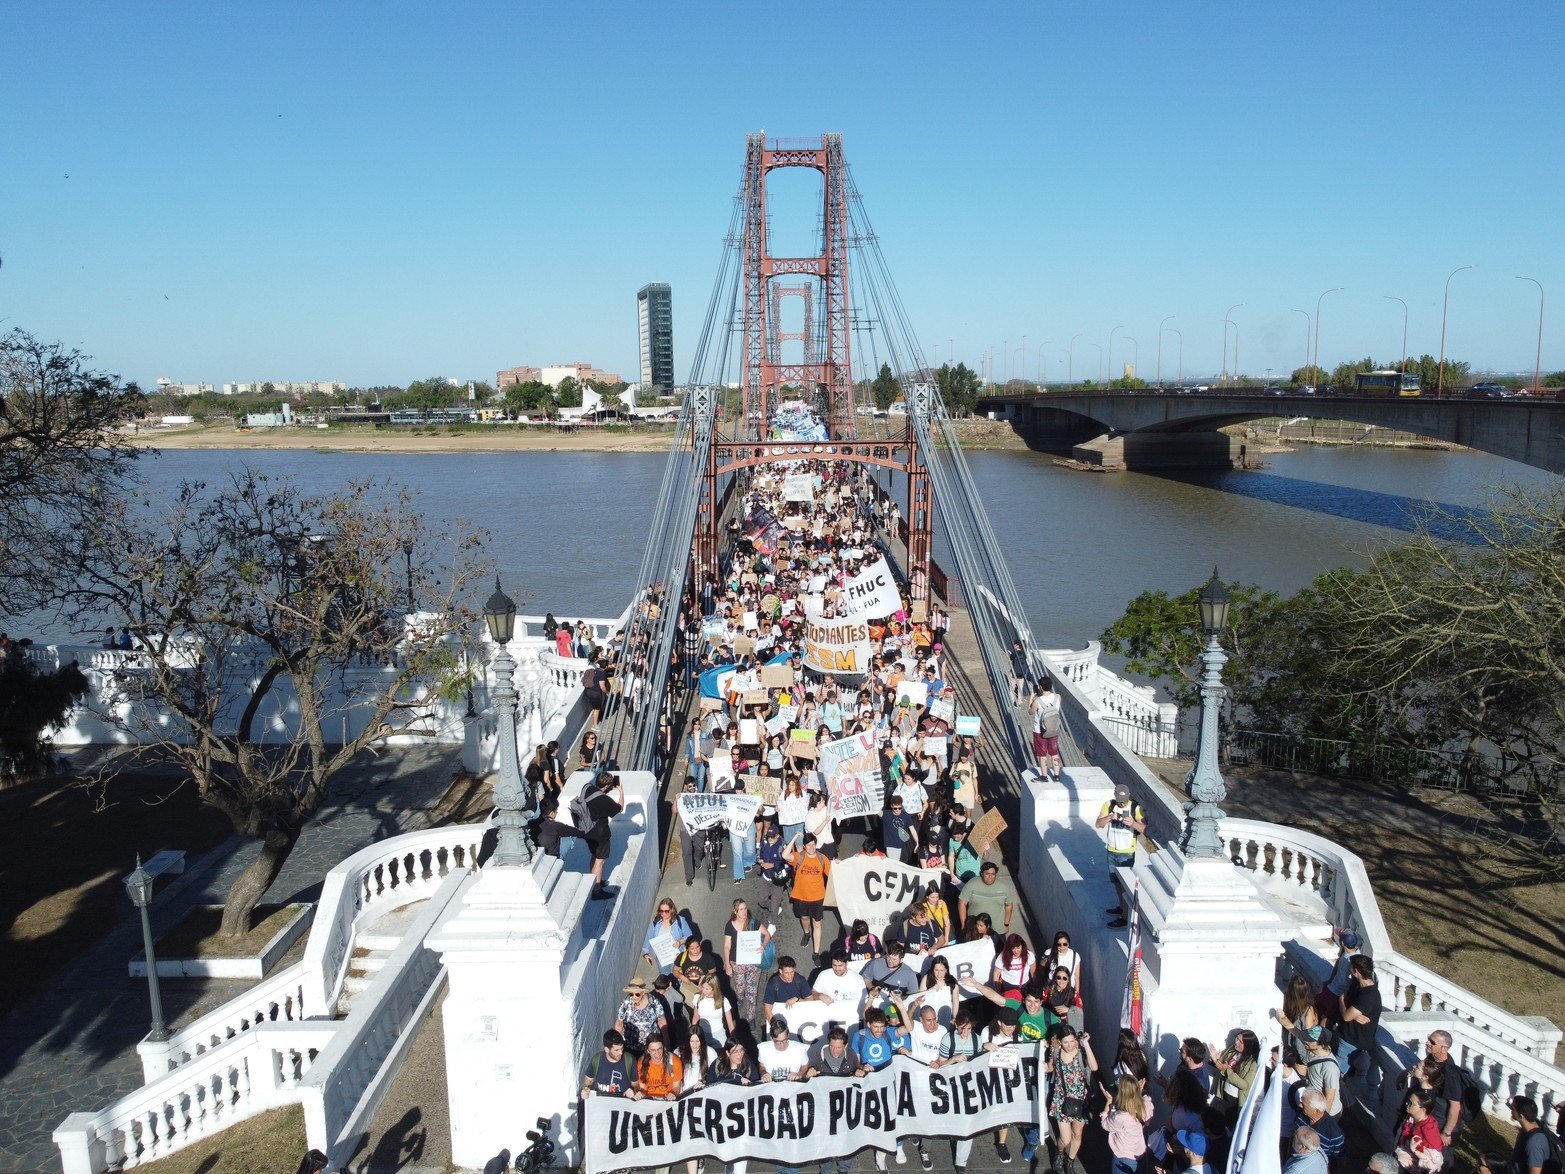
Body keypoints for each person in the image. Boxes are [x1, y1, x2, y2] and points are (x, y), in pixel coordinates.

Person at [1042, 1026, 1097, 1173]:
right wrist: (1043, 1065)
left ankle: (1070, 1160)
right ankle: (1060, 1152)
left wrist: (1086, 1044)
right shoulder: (1056, 1052)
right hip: (1062, 1099)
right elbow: (1050, 1068)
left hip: (1081, 1099)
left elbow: (1094, 1067)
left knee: (1077, 1134)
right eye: (1066, 1042)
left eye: (1072, 1041)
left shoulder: (1080, 1052)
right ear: (1060, 1042)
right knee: (1065, 1139)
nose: (1070, 1045)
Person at [1096, 784, 1145, 927]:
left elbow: (1143, 828)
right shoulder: (1109, 805)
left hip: (1127, 852)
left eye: (1124, 800)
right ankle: (1122, 907)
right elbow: (1098, 824)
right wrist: (1111, 817)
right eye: (1119, 799)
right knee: (1116, 883)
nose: (1122, 802)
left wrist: (1133, 823)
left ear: (1129, 796)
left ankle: (1124, 917)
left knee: (1124, 884)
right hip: (1112, 850)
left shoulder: (1136, 808)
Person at [722, 897, 771, 1024]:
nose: (744, 912)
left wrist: (763, 946)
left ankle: (751, 1017)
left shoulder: (753, 922)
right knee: (739, 985)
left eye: (745, 908)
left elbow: (767, 935)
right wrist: (727, 965)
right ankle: (739, 997)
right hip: (736, 962)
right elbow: (727, 946)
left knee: (752, 990)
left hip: (753, 962)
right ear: (735, 911)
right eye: (741, 909)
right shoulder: (729, 925)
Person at [1478, 1096, 1557, 1174]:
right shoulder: (1529, 1129)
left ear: (1521, 1115)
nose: (1511, 1110)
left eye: (1513, 1108)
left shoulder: (1534, 1143)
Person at [1337, 954, 1382, 1083]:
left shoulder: (1369, 995)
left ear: (1356, 971)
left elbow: (1346, 1016)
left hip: (1352, 1043)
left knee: (1335, 1077)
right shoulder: (1357, 984)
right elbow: (1349, 1012)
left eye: (1351, 968)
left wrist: (1341, 1001)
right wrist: (1353, 1014)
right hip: (1348, 1038)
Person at [1100, 1072, 1155, 1174]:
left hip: (1124, 1158)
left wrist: (1109, 1101)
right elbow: (1146, 1105)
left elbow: (1105, 1124)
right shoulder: (1145, 1104)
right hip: (1140, 1155)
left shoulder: (1120, 1117)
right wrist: (1138, 1091)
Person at [787, 833, 830, 956]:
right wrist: (794, 838)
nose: (811, 847)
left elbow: (834, 875)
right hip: (801, 897)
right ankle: (806, 933)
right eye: (808, 845)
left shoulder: (822, 859)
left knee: (817, 923)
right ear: (804, 846)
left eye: (813, 844)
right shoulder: (798, 857)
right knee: (804, 918)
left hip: (818, 898)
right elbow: (785, 855)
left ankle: (816, 953)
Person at [582, 773, 624, 900]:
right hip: (600, 834)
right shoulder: (605, 801)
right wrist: (621, 791)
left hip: (586, 829)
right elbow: (620, 808)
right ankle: (596, 890)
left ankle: (594, 882)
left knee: (594, 855)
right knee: (600, 861)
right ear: (606, 786)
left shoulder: (587, 787)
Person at [1210, 1029, 1261, 1120]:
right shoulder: (1232, 1051)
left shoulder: (1252, 1063)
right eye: (1236, 1038)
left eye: (1240, 1041)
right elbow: (1222, 1066)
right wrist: (1215, 1060)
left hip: (1234, 1099)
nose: (1236, 1042)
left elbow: (1245, 1085)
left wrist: (1228, 1071)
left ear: (1247, 1045)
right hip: (1223, 1092)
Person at [958, 861, 1017, 938]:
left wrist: (1006, 924)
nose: (990, 877)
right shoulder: (972, 884)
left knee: (998, 949)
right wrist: (964, 924)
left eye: (993, 874)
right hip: (975, 930)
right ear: (982, 873)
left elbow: (1009, 905)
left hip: (997, 931)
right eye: (987, 874)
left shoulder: (1003, 888)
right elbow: (962, 903)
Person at [613, 978, 668, 1057]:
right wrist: (616, 1044)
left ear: (643, 992)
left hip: (651, 1047)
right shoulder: (626, 1002)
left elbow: (662, 1022)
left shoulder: (653, 1002)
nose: (634, 997)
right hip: (631, 1047)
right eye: (631, 994)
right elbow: (619, 1023)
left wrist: (666, 1042)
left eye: (637, 994)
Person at [581, 1029, 642, 1099]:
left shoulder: (629, 1060)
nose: (620, 1053)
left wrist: (634, 1092)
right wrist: (585, 1089)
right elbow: (588, 1080)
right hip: (601, 1104)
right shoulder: (597, 1059)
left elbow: (635, 1085)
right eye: (616, 1050)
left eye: (622, 1049)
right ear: (607, 1049)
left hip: (622, 1105)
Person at [810, 948, 867, 1021]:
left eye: (840, 966)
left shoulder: (858, 979)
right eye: (834, 965)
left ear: (847, 963)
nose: (837, 969)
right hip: (828, 1018)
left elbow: (863, 1002)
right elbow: (812, 993)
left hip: (849, 1018)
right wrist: (820, 996)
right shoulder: (823, 975)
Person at [1394, 1091, 1443, 1172]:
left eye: (1410, 1103)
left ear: (1423, 1110)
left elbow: (1434, 1161)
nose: (1406, 1103)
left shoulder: (1429, 1129)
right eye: (1407, 1101)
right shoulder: (1411, 1117)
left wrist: (1414, 1150)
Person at [644, 897, 693, 975]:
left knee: (677, 979)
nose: (663, 913)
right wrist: (646, 953)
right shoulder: (656, 922)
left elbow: (689, 935)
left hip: (677, 957)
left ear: (672, 910)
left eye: (666, 911)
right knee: (664, 980)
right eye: (661, 911)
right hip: (662, 958)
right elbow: (648, 937)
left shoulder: (680, 921)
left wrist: (680, 942)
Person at [1297, 1088, 1346, 1165]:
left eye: (1303, 1104)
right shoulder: (1300, 1115)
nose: (1300, 1105)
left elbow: (1339, 1161)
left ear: (1316, 1110)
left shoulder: (1334, 1134)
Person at [1029, 676, 1063, 782]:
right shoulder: (1058, 697)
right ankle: (1056, 776)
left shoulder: (1037, 701)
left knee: (1042, 754)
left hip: (1040, 731)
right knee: (1054, 753)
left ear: (1040, 687)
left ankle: (1044, 776)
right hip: (1053, 730)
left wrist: (1031, 697)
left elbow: (1030, 712)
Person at [755, 1016, 809, 1083]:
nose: (782, 1045)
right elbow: (762, 1066)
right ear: (772, 1038)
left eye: (785, 1040)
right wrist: (763, 1074)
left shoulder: (800, 1048)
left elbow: (805, 1065)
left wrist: (799, 1074)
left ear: (788, 1035)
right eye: (778, 1042)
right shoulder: (763, 1048)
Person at [690, 973, 736, 1049]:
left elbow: (730, 1023)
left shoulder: (724, 1001)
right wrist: (693, 1034)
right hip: (702, 1034)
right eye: (703, 987)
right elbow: (695, 1017)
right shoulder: (697, 998)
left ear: (714, 988)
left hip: (719, 1035)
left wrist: (734, 1041)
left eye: (707, 989)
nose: (703, 991)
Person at [761, 955, 812, 1023]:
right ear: (781, 971)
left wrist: (797, 999)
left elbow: (811, 1001)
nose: (790, 976)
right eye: (786, 973)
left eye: (792, 972)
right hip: (780, 1019)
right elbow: (768, 1011)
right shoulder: (773, 984)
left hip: (798, 1018)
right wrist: (777, 1028)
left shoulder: (800, 980)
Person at [675, 776, 705, 885]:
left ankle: (697, 859)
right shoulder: (682, 797)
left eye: (694, 785)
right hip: (685, 829)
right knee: (686, 852)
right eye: (690, 786)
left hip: (698, 828)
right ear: (686, 787)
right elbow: (674, 811)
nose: (692, 788)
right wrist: (676, 800)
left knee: (699, 848)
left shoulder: (700, 795)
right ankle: (689, 877)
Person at [634, 1036, 683, 1100]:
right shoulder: (642, 1063)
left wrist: (673, 1093)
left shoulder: (673, 1061)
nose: (657, 1053)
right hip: (649, 1100)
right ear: (648, 1050)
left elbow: (677, 1087)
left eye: (659, 1049)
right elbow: (643, 1087)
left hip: (667, 1100)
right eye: (653, 1050)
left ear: (664, 1048)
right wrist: (641, 1093)